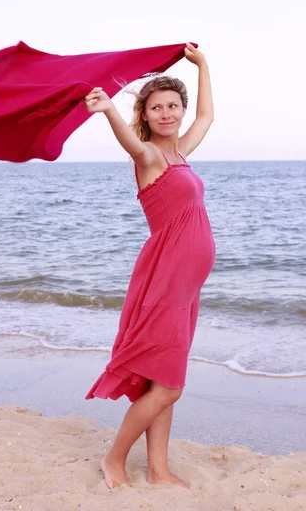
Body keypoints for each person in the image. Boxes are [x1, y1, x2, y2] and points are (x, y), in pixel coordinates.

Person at [83, 43, 216, 490]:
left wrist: (203, 67)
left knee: (165, 378)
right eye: (156, 107)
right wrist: (108, 112)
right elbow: (132, 145)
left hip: (185, 285)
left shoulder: (181, 155)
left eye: (172, 106)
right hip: (165, 281)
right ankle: (113, 459)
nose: (166, 113)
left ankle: (158, 469)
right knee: (171, 385)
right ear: (145, 114)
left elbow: (206, 119)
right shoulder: (152, 158)